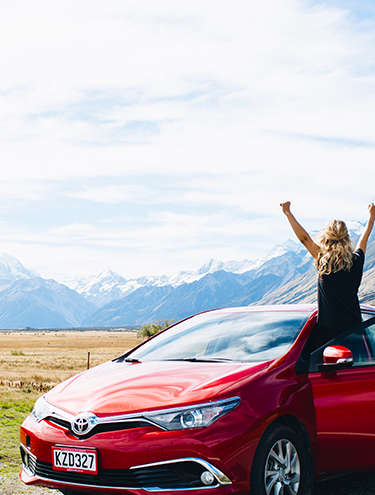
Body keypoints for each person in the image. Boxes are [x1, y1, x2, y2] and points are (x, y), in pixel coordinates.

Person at [280, 201, 375, 350]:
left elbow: (304, 239)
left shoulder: (323, 261)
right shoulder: (356, 260)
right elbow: (365, 237)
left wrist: (288, 213)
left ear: (326, 238)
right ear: (347, 237)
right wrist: (371, 217)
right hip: (354, 332)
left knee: (328, 373)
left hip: (327, 334)